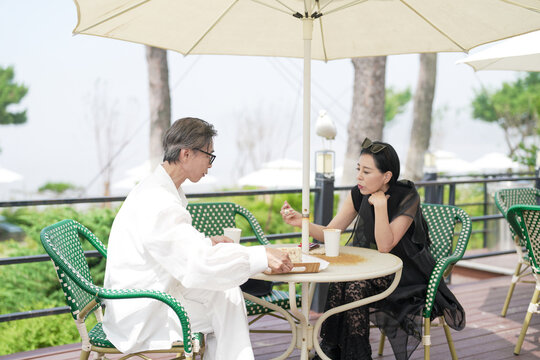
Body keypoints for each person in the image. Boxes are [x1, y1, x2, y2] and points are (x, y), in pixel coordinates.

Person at [102, 117, 293, 360]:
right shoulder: (158, 201)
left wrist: (208, 243)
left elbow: (179, 250)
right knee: (226, 302)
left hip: (150, 296)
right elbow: (197, 265)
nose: (211, 164)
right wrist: (261, 255)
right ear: (186, 154)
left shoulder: (161, 190)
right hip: (143, 312)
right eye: (209, 155)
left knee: (225, 294)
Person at [280, 138, 465, 360]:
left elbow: (386, 245)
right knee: (341, 281)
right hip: (376, 268)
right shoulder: (358, 193)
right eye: (358, 169)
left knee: (355, 286)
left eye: (367, 171)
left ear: (386, 176)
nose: (359, 176)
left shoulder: (407, 196)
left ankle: (356, 355)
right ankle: (332, 347)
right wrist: (301, 221)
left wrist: (380, 206)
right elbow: (331, 232)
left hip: (407, 274)